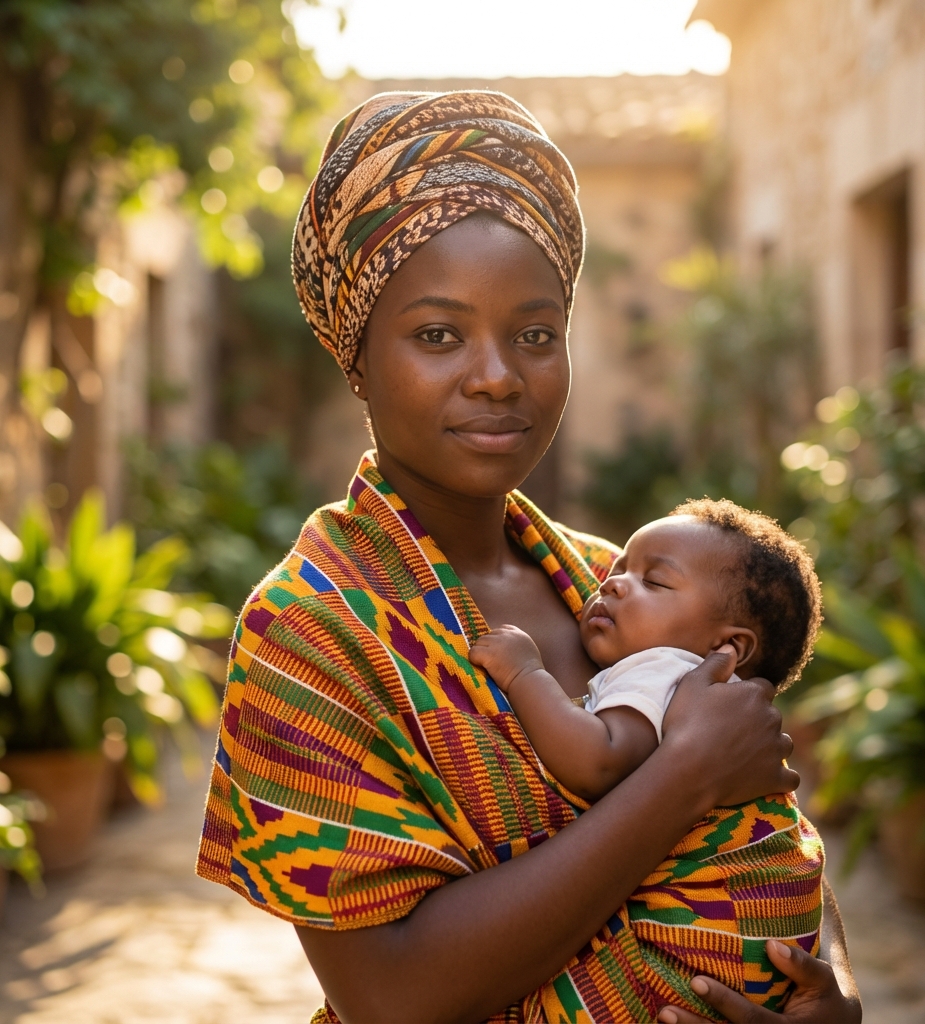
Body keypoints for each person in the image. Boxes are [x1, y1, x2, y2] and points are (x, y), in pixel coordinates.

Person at [196, 90, 861, 1023]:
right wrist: (678, 781)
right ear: (358, 357)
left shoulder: (613, 581)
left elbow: (767, 832)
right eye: (438, 335)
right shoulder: (310, 630)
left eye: (536, 335)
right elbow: (390, 995)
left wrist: (831, 992)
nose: (499, 375)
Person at [469, 500, 826, 1014]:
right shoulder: (695, 681)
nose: (613, 583)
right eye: (617, 570)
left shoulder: (663, 668)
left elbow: (599, 760)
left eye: (654, 582)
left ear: (729, 646)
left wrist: (526, 675)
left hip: (695, 942)